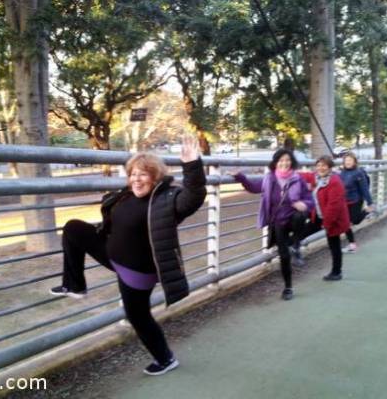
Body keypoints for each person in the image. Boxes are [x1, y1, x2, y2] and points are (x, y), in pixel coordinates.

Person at [49, 136, 206, 376]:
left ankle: (166, 359)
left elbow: (193, 197)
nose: (136, 179)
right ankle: (75, 285)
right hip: (113, 255)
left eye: (143, 174)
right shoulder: (126, 194)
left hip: (137, 271)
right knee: (73, 228)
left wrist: (192, 165)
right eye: (133, 173)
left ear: (155, 178)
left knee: (138, 316)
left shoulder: (166, 200)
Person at [230, 149, 314, 301]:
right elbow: (253, 187)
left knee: (300, 215)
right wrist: (239, 176)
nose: (284, 163)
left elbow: (310, 200)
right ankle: (288, 287)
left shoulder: (298, 179)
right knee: (284, 256)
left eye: (288, 160)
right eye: (281, 160)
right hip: (278, 222)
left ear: (292, 162)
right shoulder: (269, 178)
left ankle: (296, 245)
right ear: (275, 163)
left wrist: (304, 204)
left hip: (294, 219)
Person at [301, 155, 350, 281]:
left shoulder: (334, 182)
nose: (320, 168)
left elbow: (333, 207)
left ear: (329, 167)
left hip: (333, 219)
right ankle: (290, 245)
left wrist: (326, 224)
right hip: (319, 215)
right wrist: (289, 173)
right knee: (303, 231)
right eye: (318, 165)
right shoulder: (317, 177)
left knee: (334, 245)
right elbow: (306, 176)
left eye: (324, 165)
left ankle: (336, 272)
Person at [339, 152, 374, 253]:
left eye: (350, 160)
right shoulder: (342, 172)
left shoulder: (359, 173)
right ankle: (352, 245)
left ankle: (367, 210)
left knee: (355, 221)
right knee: (346, 223)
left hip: (356, 200)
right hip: (344, 201)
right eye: (346, 161)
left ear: (354, 162)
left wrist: (370, 202)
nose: (348, 162)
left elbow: (364, 189)